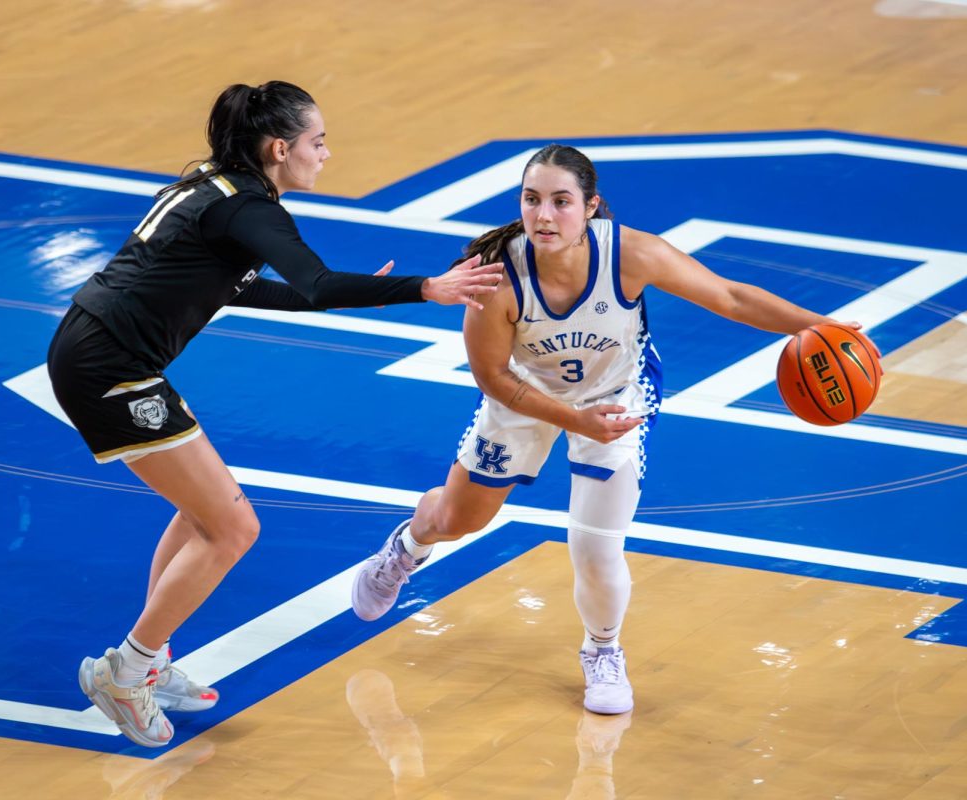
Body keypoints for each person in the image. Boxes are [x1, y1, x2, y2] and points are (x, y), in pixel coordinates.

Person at [47, 81, 503, 747]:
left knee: (203, 512)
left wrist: (363, 294)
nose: (326, 152)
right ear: (279, 147)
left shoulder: (215, 186)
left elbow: (243, 286)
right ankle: (127, 671)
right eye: (317, 142)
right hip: (107, 370)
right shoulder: (252, 210)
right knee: (233, 528)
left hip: (104, 354)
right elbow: (314, 281)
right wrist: (422, 288)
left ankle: (152, 661)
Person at [351, 143, 873, 716]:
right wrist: (576, 421)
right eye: (532, 200)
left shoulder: (630, 253)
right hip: (525, 396)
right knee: (457, 519)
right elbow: (494, 378)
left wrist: (823, 327)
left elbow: (729, 296)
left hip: (618, 393)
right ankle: (405, 547)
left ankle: (602, 650)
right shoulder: (495, 281)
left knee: (596, 545)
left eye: (561, 201)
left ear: (590, 206)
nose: (544, 216)